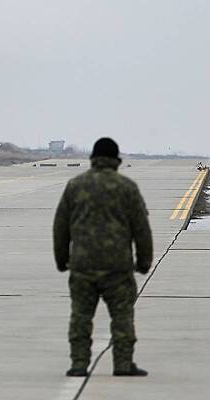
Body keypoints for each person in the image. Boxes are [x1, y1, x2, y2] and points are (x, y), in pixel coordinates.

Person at [53, 138, 153, 377]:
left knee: (80, 316)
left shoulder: (75, 186)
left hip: (82, 266)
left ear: (93, 158)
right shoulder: (127, 187)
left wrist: (61, 259)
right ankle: (123, 364)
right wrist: (143, 262)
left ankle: (78, 364)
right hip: (117, 268)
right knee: (122, 317)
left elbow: (60, 227)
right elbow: (141, 228)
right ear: (116, 159)